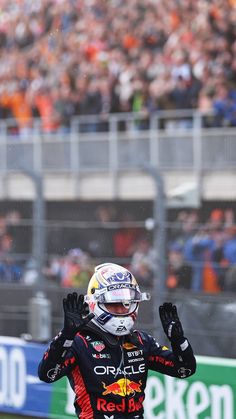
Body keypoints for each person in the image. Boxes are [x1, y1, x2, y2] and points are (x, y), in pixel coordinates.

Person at [38, 263, 196, 418]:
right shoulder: (80, 342)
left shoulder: (141, 341)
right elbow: (47, 374)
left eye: (126, 304)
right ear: (96, 303)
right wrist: (66, 336)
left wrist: (178, 340)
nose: (121, 310)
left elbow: (185, 370)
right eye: (114, 304)